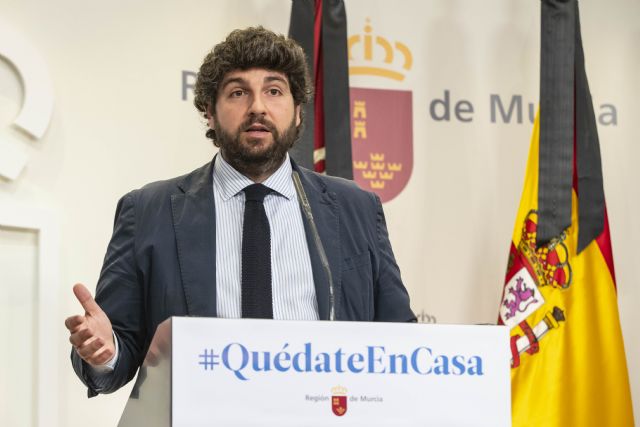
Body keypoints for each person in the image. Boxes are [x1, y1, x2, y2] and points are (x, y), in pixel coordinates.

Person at [65, 26, 415, 397]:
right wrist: (104, 353)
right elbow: (116, 350)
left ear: (298, 112)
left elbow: (402, 341)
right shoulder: (149, 212)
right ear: (210, 113)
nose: (258, 107)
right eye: (238, 92)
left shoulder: (355, 208)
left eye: (274, 91)